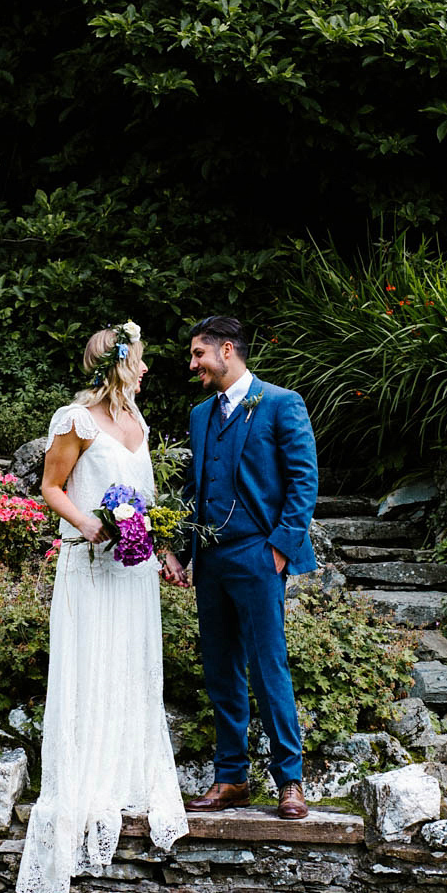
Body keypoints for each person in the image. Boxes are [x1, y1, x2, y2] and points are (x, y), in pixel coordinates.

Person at [15, 321, 188, 893]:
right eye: (138, 360)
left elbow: (149, 504)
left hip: (134, 571)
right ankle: (87, 780)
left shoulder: (139, 425)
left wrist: (163, 551)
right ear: (117, 364)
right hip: (90, 566)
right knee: (93, 664)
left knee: (131, 665)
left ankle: (126, 772)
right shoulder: (75, 420)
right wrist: (87, 523)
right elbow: (51, 485)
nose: (145, 370)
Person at [162, 315, 319, 821]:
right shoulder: (201, 413)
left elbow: (303, 480)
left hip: (258, 554)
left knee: (269, 667)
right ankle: (231, 778)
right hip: (211, 561)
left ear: (227, 351)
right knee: (221, 671)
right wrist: (182, 552)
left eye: (199, 355)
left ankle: (289, 782)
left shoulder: (280, 402)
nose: (193, 365)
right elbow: (194, 490)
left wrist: (280, 549)